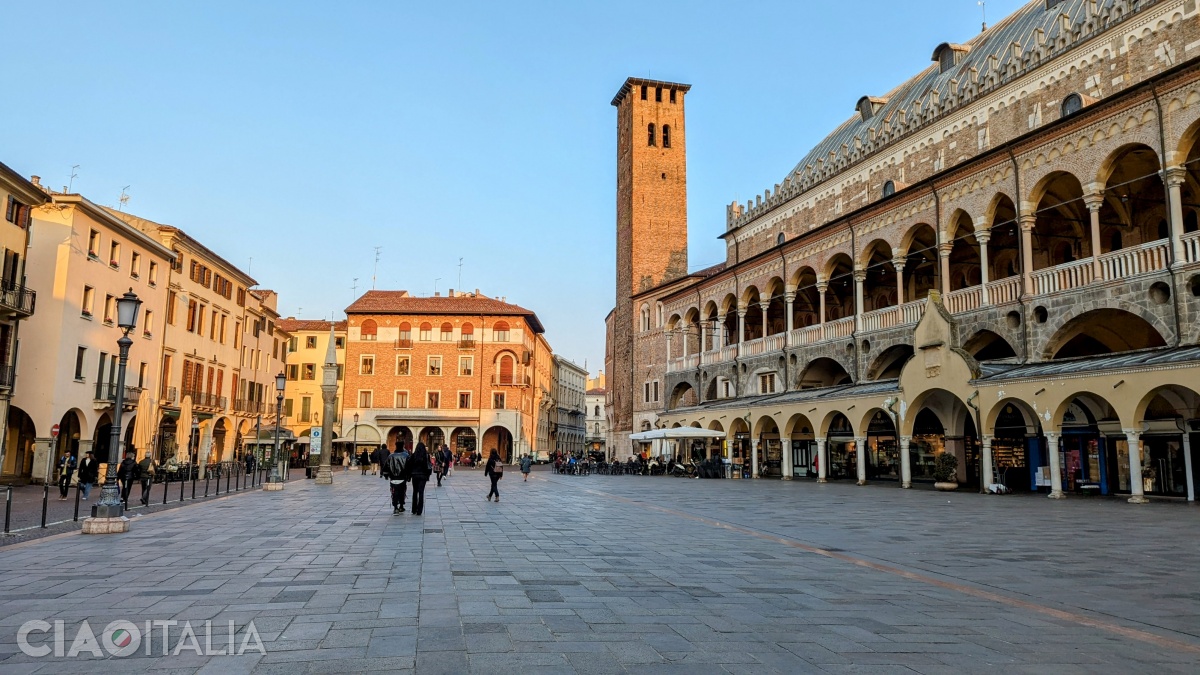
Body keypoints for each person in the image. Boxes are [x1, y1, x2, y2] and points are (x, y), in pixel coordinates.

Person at [382, 444, 410, 515]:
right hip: (402, 477)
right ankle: (401, 506)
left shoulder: (390, 456)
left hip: (393, 478)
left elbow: (386, 467)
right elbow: (409, 467)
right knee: (402, 492)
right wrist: (409, 476)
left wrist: (386, 475)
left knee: (394, 492)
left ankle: (395, 507)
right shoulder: (406, 456)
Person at [408, 442, 432, 515]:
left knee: (415, 492)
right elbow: (428, 466)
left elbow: (409, 465)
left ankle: (414, 509)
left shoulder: (413, 455)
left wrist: (409, 475)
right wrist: (427, 475)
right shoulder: (426, 456)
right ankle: (419, 510)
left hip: (414, 475)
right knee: (421, 492)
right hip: (423, 476)